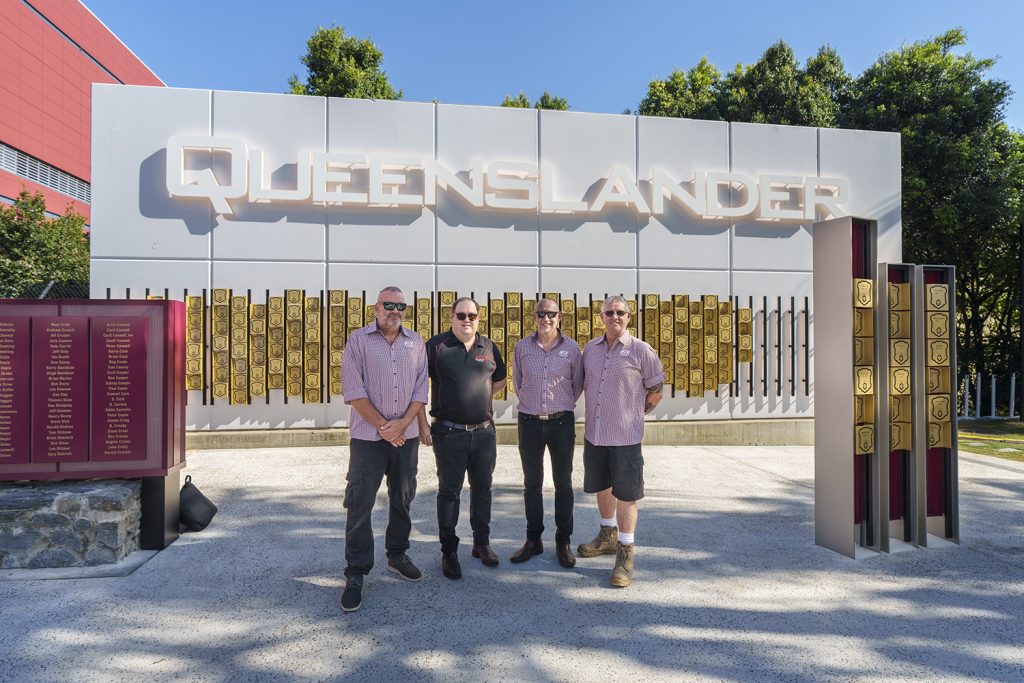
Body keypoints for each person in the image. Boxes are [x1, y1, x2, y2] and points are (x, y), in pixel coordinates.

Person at [340, 286, 428, 612]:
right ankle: (356, 572)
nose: (395, 310)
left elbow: (421, 389)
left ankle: (397, 555)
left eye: (400, 306)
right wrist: (383, 426)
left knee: (403, 497)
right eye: (388, 305)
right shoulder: (358, 341)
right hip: (368, 437)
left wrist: (402, 424)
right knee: (360, 503)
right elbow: (353, 389)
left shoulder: (415, 342)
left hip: (406, 436)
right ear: (376, 308)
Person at [578, 295, 664, 587]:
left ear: (629, 317)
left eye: (620, 312)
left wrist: (635, 414)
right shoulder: (590, 349)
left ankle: (626, 552)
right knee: (602, 486)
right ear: (600, 317)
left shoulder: (641, 351)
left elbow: (655, 390)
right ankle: (607, 536)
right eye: (609, 312)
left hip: (626, 436)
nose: (614, 316)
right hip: (596, 434)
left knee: (627, 493)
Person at [425, 296, 506, 579]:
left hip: (484, 433)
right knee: (449, 493)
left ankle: (481, 544)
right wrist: (422, 423)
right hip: (449, 434)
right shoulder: (436, 347)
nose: (466, 320)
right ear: (451, 317)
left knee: (483, 490)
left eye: (472, 316)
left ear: (478, 318)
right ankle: (449, 551)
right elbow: (415, 385)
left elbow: (500, 378)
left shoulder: (488, 346)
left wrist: (478, 397)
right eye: (461, 315)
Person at [510, 298, 583, 568]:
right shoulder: (522, 347)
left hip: (561, 422)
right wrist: (534, 406)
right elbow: (518, 382)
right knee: (532, 483)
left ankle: (563, 542)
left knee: (563, 483)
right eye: (541, 314)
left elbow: (578, 385)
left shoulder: (572, 349)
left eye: (551, 314)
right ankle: (533, 540)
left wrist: (558, 407)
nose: (546, 319)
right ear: (535, 317)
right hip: (529, 422)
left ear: (559, 317)